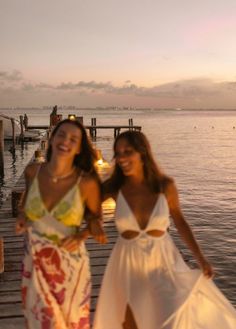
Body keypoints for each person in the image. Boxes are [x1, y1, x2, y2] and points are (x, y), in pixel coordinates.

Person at [93, 130, 236, 329]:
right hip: (128, 264)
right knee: (129, 323)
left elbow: (180, 222)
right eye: (118, 153)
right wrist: (94, 222)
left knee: (171, 317)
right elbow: (86, 206)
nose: (121, 157)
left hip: (162, 262)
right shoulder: (114, 187)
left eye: (128, 151)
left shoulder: (165, 186)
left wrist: (200, 257)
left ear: (143, 153)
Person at [16, 118, 106, 329]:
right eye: (61, 135)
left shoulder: (86, 182)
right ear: (52, 138)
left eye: (73, 139)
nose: (66, 141)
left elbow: (96, 218)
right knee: (40, 322)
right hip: (35, 260)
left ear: (79, 149)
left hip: (69, 265)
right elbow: (25, 204)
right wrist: (22, 218)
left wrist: (83, 235)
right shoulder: (33, 172)